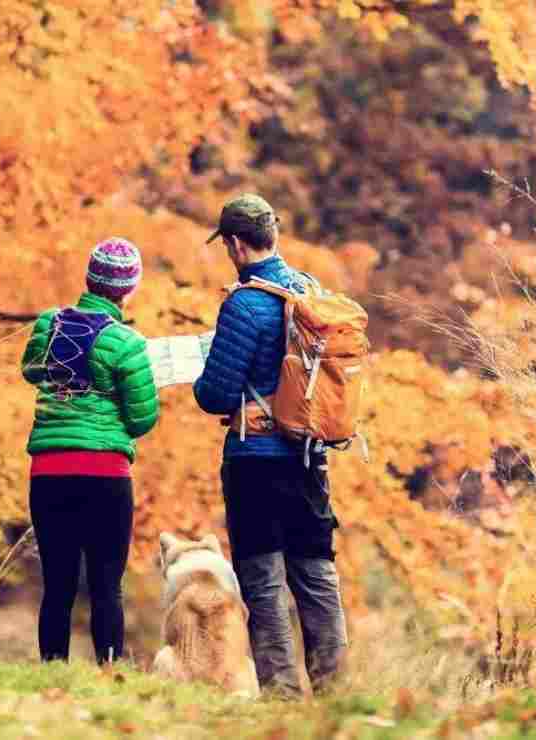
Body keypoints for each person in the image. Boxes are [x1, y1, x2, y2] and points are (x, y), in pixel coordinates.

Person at [193, 194, 349, 695]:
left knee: (263, 580)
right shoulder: (310, 292)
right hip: (309, 457)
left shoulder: (244, 304)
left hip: (255, 461)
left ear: (236, 244)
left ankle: (282, 696)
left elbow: (215, 392)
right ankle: (334, 691)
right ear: (274, 235)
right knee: (316, 575)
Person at [20, 237, 158, 664]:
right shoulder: (127, 343)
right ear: (128, 289)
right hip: (105, 475)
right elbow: (141, 420)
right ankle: (109, 672)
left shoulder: (49, 324)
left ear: (88, 279)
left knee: (57, 583)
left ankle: (52, 672)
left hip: (49, 471)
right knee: (105, 584)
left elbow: (30, 371)